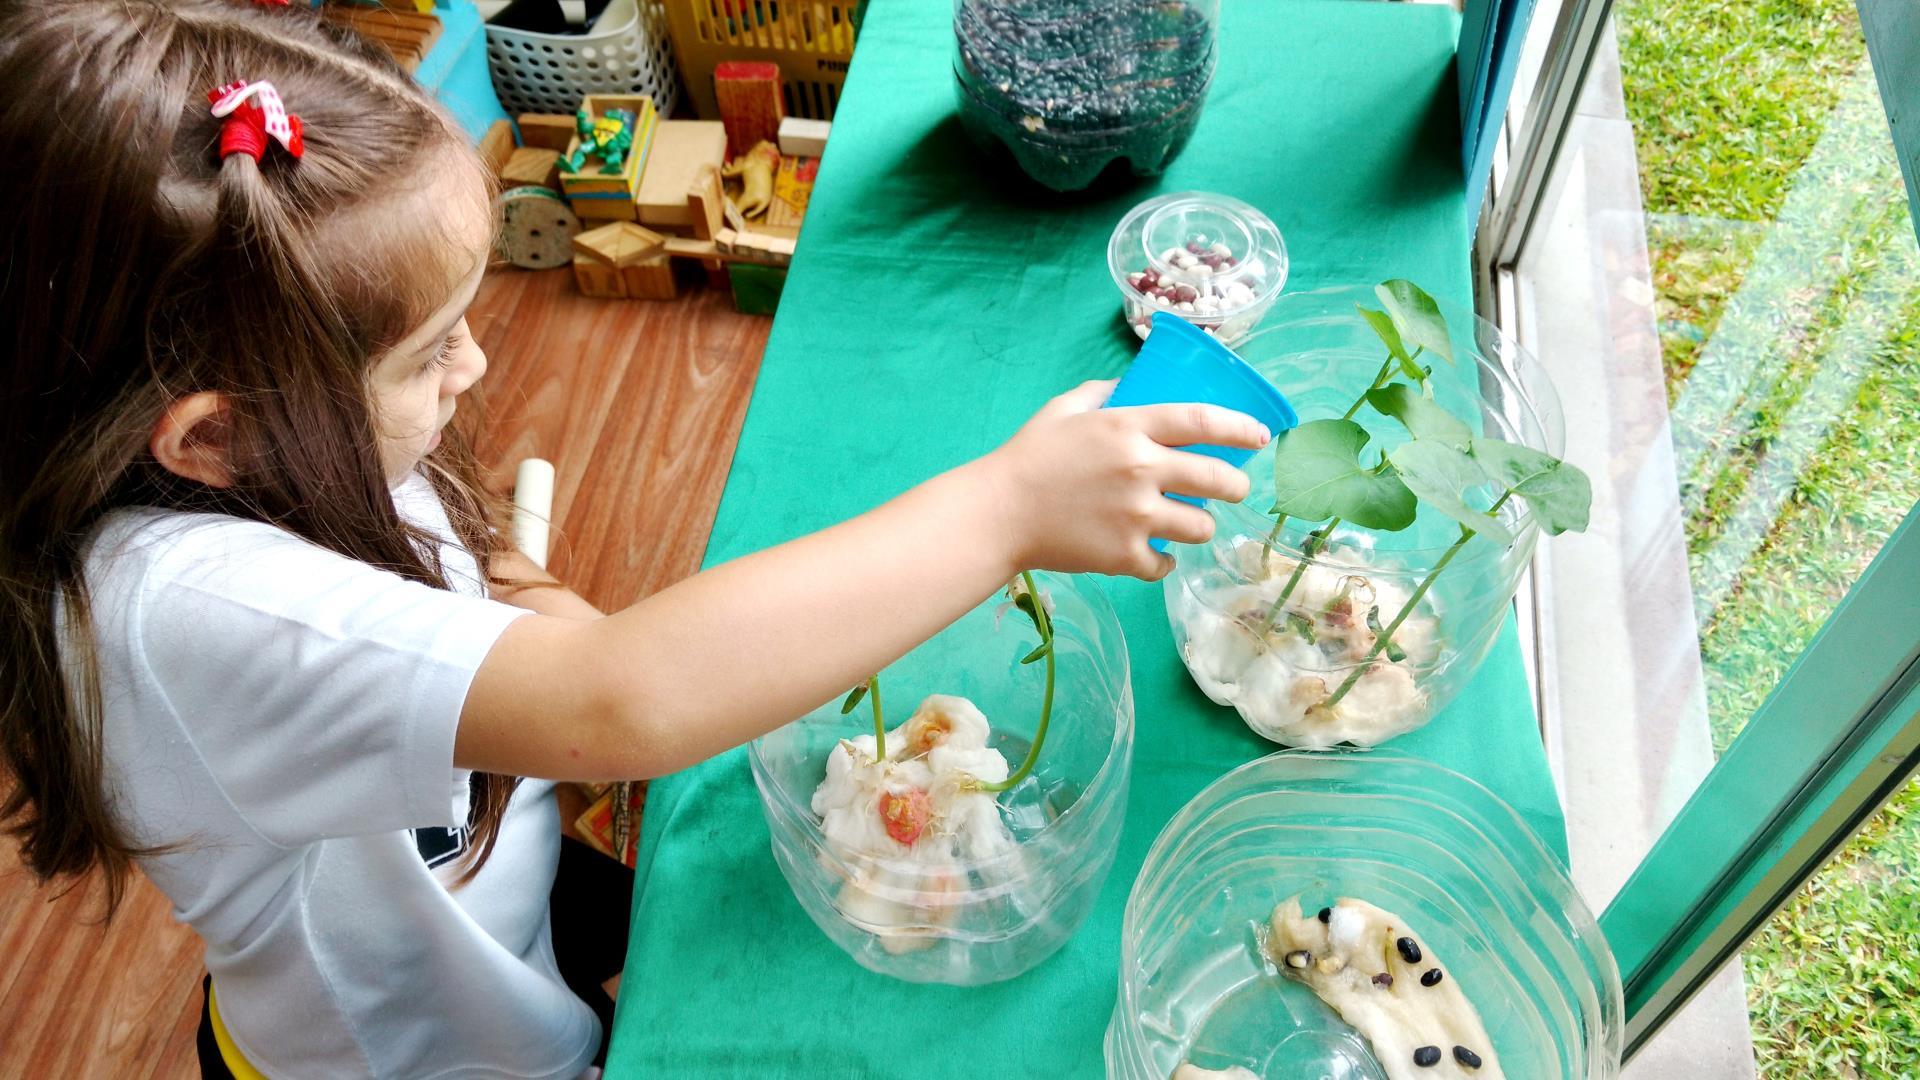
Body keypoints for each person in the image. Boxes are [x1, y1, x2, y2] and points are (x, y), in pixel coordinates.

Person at [0, 2, 1267, 1076]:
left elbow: (473, 573)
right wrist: (1008, 510)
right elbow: (620, 701)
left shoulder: (275, 448)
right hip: (418, 1040)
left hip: (493, 883)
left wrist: (572, 643)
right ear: (210, 441)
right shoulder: (183, 617)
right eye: (433, 347)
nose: (479, 362)